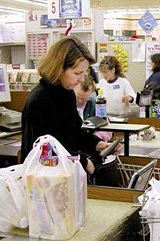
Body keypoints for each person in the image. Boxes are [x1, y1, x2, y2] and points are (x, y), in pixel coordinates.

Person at [21, 36, 117, 175]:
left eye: (84, 73)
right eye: (77, 73)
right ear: (58, 69)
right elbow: (46, 152)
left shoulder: (66, 94)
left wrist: (97, 144)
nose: (82, 79)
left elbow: (74, 132)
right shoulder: (41, 100)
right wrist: (81, 161)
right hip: (43, 177)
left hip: (62, 174)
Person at [74, 78, 112, 142]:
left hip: (89, 144)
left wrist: (96, 138)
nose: (80, 101)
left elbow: (106, 129)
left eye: (84, 99)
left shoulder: (95, 104)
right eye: (77, 97)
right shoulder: (65, 103)